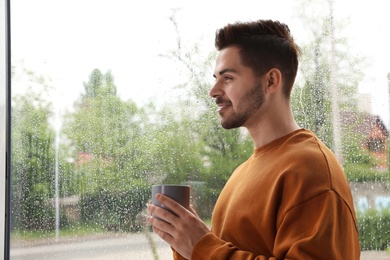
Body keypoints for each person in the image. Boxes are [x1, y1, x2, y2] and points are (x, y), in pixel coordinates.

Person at [147, 19, 360, 259]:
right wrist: (186, 240)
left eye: (227, 78)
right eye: (215, 78)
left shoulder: (311, 169)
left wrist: (203, 248)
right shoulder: (242, 173)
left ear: (271, 81)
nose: (214, 91)